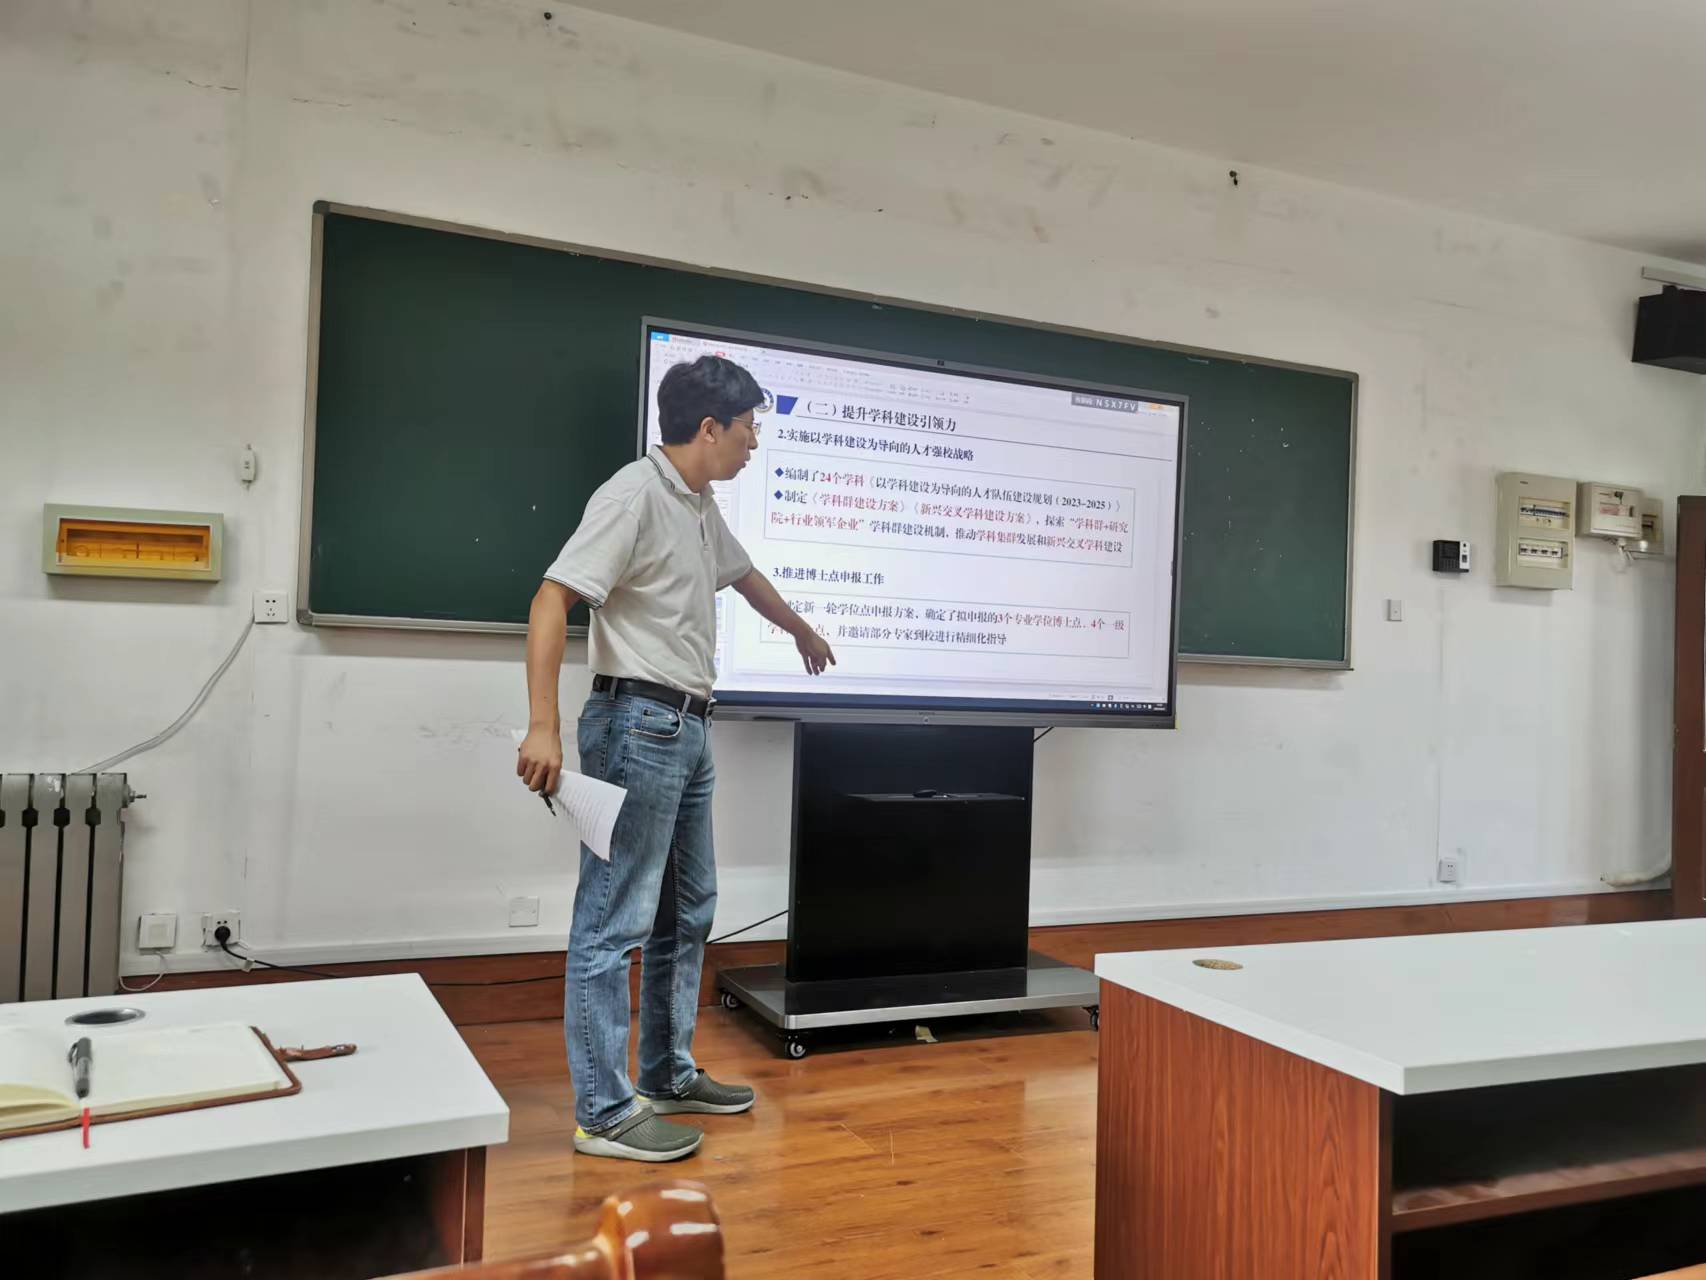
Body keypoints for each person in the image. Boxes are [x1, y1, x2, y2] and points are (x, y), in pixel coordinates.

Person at [517, 354, 835, 1162]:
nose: (755, 442)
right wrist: (543, 726)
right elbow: (552, 597)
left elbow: (744, 575)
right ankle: (604, 1112)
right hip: (637, 725)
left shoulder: (697, 503)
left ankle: (665, 1073)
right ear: (709, 428)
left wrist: (800, 628)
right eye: (748, 428)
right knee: (613, 919)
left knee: (689, 907)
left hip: (687, 728)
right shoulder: (634, 495)